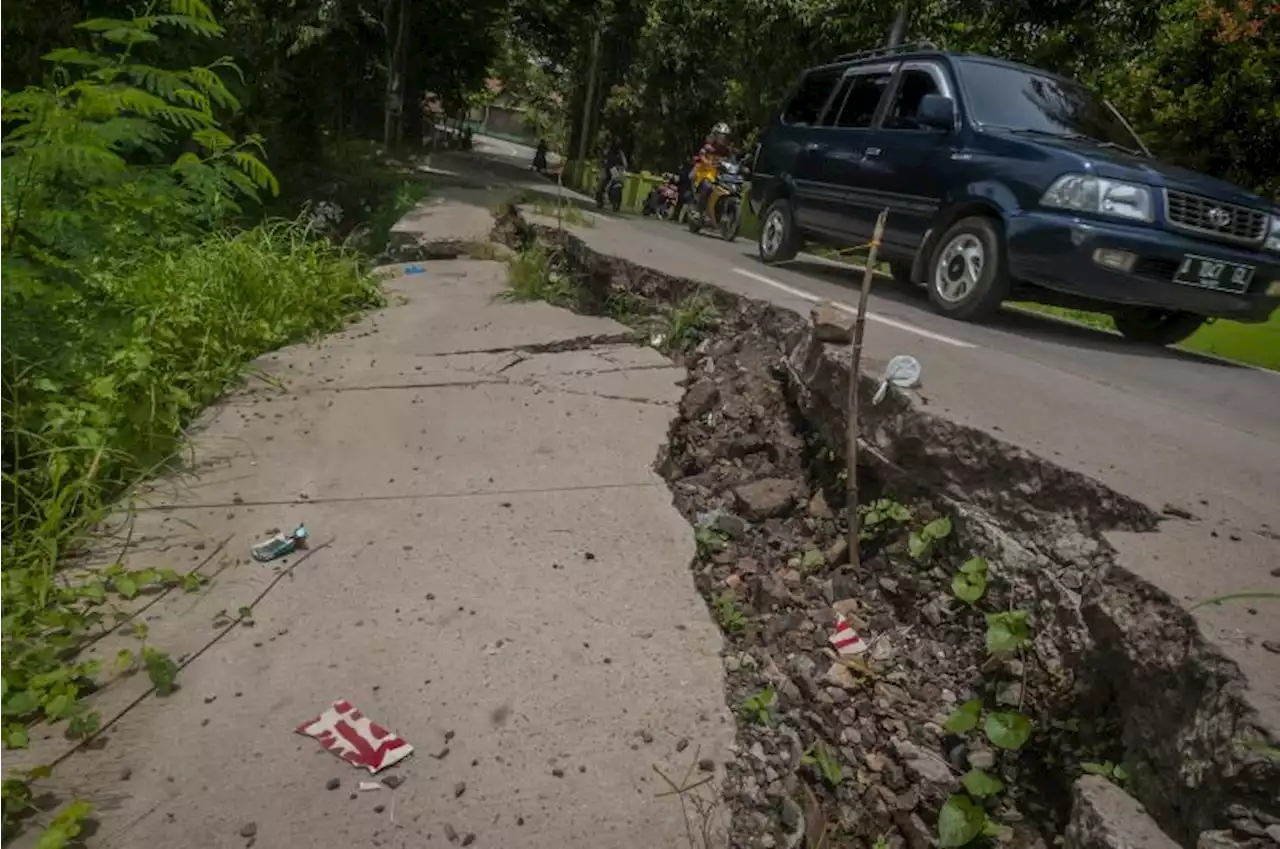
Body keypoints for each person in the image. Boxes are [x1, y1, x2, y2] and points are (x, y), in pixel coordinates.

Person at [692, 122, 732, 216]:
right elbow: (701, 154)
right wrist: (706, 161)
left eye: (724, 136)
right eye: (719, 135)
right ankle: (699, 211)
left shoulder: (726, 151)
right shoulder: (708, 147)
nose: (721, 138)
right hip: (706, 173)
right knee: (707, 187)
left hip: (720, 176)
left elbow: (731, 161)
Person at [596, 139, 628, 207]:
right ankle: (600, 198)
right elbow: (604, 157)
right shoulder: (610, 151)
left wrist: (622, 167)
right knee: (603, 183)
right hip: (609, 169)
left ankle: (615, 200)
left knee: (619, 183)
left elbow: (625, 163)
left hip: (615, 170)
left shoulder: (620, 153)